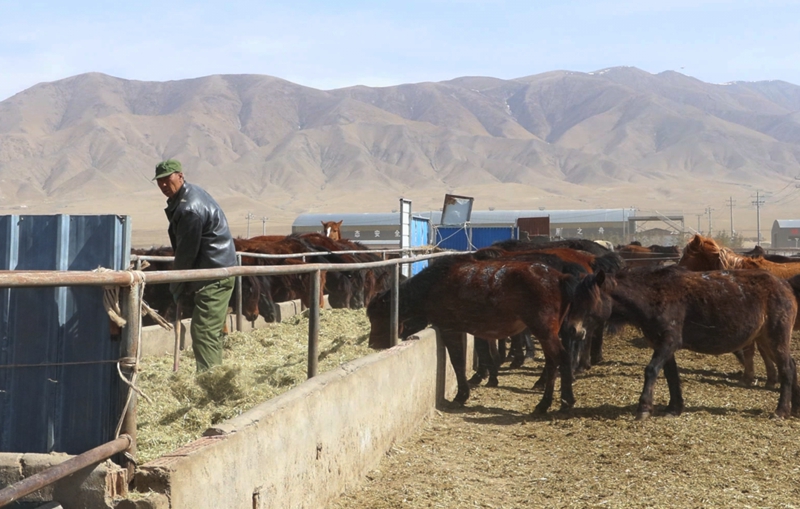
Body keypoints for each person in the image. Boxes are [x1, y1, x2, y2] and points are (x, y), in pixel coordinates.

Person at [153, 159, 237, 372]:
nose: (164, 185)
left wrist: (176, 285)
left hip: (214, 274)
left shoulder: (189, 208)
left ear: (180, 176)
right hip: (217, 269)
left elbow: (186, 253)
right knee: (211, 330)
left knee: (204, 331)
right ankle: (215, 373)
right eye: (160, 181)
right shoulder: (190, 196)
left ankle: (210, 380)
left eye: (167, 179)